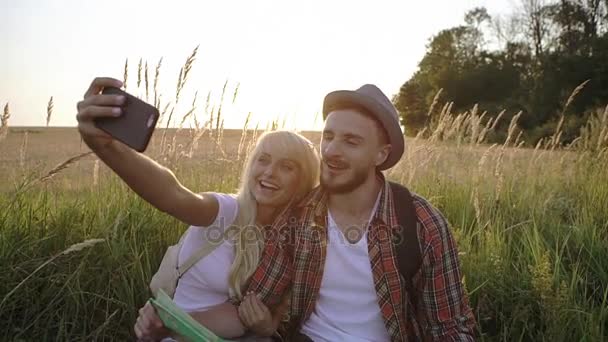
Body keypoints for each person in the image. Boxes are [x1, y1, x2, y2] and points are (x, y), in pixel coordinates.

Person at [75, 77, 320, 340]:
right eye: (263, 160)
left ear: (303, 179)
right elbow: (174, 194)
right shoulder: (227, 211)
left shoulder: (294, 240)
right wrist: (106, 147)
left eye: (286, 167)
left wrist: (267, 326)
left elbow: (279, 317)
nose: (269, 173)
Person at [243, 84, 477, 341]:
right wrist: (266, 326)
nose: (331, 151)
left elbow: (449, 327)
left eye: (351, 141)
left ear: (381, 154)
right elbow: (258, 299)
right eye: (328, 136)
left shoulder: (422, 223)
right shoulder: (298, 215)